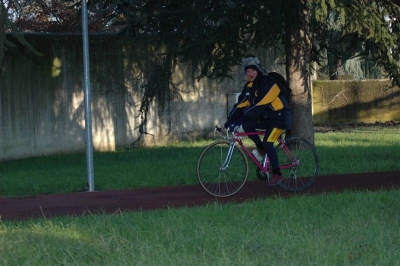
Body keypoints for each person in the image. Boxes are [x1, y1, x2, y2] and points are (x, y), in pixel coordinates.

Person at [224, 55, 292, 186]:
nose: (250, 73)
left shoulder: (268, 83)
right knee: (247, 125)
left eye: (253, 70)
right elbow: (240, 105)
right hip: (266, 119)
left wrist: (237, 122)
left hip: (280, 119)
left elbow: (258, 106)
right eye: (247, 71)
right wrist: (229, 122)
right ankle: (260, 148)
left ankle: (277, 174)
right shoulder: (250, 87)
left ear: (258, 70)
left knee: (268, 142)